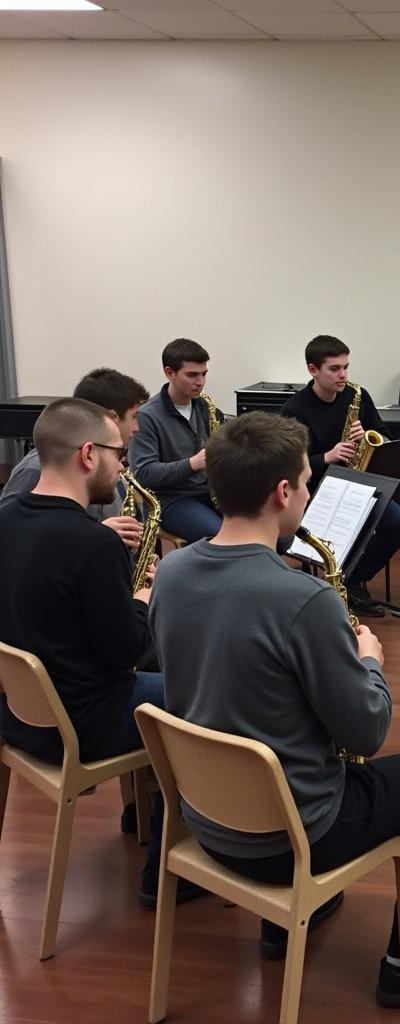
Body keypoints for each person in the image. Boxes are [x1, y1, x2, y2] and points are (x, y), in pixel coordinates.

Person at [148, 411, 400, 1004]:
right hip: (293, 835)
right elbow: (368, 732)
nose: (307, 493)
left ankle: (284, 924)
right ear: (283, 492)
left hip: (205, 821)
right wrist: (370, 660)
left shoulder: (172, 571)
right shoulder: (300, 598)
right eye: (306, 483)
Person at [0, 398, 188, 907]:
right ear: (88, 454)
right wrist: (144, 599)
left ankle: (144, 809)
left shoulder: (7, 515)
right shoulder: (91, 543)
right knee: (206, 699)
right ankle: (170, 870)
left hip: (19, 715)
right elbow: (123, 654)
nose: (123, 465)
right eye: (119, 453)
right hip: (82, 720)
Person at [278, 335, 400, 617]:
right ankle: (335, 580)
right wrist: (327, 456)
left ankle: (351, 579)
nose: (343, 375)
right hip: (316, 490)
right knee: (346, 529)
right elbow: (288, 465)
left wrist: (366, 439)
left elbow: (384, 436)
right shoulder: (294, 409)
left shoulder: (357, 395)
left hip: (359, 483)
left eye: (346, 367)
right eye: (335, 369)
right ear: (313, 370)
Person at [0, 367, 149, 553]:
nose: (137, 428)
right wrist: (99, 534)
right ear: (111, 418)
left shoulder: (113, 466)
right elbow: (12, 539)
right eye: (134, 417)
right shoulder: (36, 469)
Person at [129, 338, 223, 544]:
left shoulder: (204, 406)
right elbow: (144, 474)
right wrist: (193, 464)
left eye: (204, 374)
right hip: (170, 500)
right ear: (169, 373)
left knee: (267, 527)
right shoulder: (147, 416)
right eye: (192, 375)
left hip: (209, 492)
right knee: (224, 538)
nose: (201, 382)